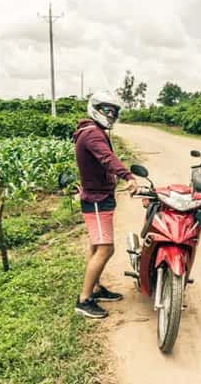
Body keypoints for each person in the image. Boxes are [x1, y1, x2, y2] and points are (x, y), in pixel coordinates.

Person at [73, 91, 137, 319]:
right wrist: (128, 176)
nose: (111, 115)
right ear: (95, 109)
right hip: (97, 200)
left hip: (99, 196)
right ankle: (84, 300)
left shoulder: (91, 131)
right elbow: (107, 159)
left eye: (115, 111)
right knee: (105, 248)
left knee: (95, 246)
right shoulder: (92, 134)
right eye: (107, 110)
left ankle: (96, 289)